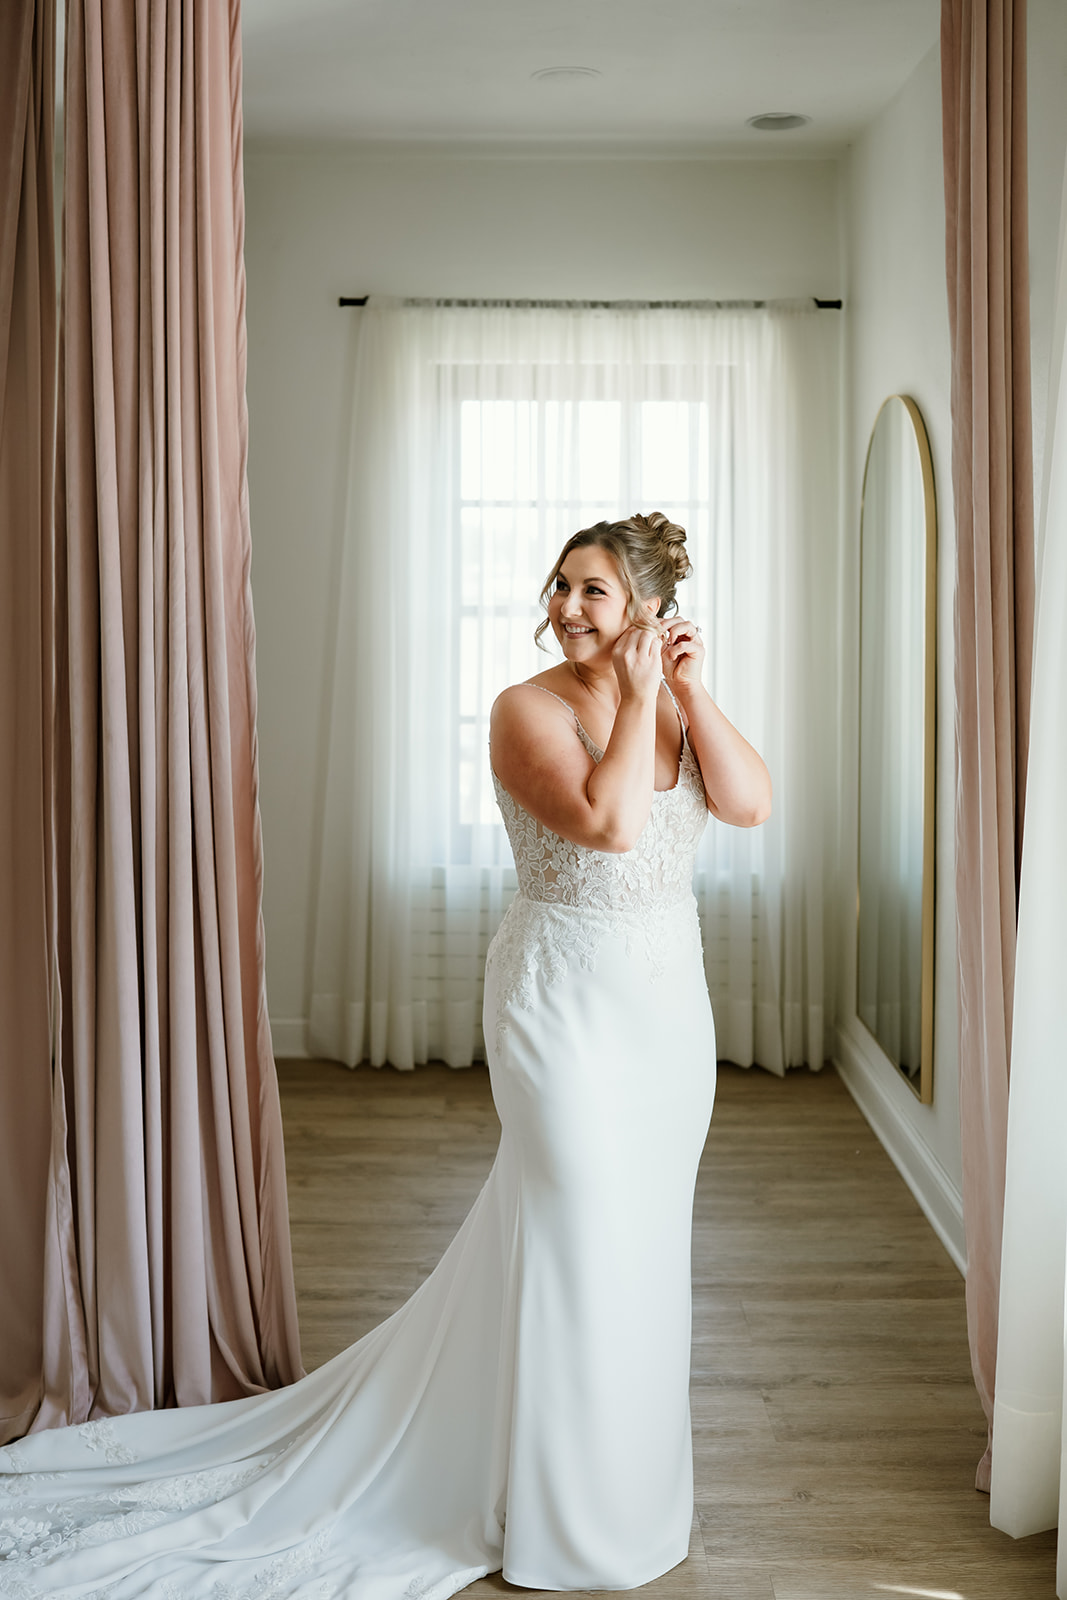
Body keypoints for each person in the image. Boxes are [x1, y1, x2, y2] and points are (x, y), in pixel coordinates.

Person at [0, 513, 770, 1600]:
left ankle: (630, 1497)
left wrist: (689, 689)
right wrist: (644, 693)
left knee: (635, 1246)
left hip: (664, 1014)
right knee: (574, 1228)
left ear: (645, 610)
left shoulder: (673, 706)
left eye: (592, 590)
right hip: (562, 1004)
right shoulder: (522, 711)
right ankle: (559, 1514)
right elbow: (606, 822)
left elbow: (747, 801)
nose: (561, 606)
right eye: (558, 584)